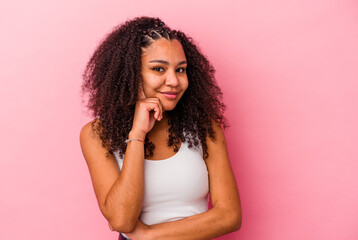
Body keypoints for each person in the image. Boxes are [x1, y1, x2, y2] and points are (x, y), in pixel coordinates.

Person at [79, 16, 242, 240]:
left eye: (181, 70)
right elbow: (122, 220)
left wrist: (149, 236)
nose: (174, 81)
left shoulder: (204, 128)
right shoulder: (97, 135)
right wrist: (137, 134)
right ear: (131, 74)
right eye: (158, 69)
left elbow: (229, 216)